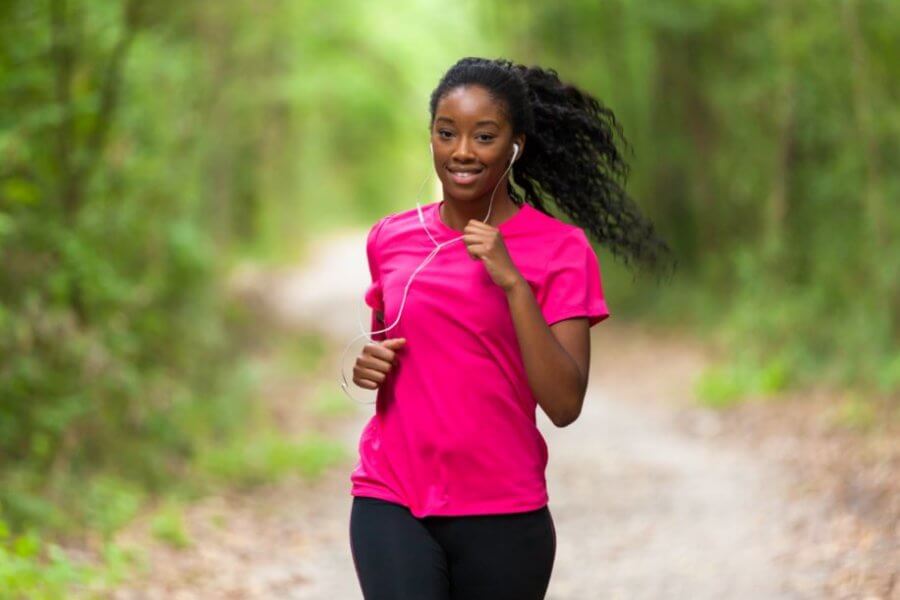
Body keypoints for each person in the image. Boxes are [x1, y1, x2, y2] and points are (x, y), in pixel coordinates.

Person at [347, 57, 672, 600]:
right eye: (446, 133)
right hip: (392, 497)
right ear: (430, 137)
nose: (462, 151)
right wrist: (367, 365)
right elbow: (395, 349)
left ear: (515, 145)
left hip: (503, 512)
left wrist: (515, 286)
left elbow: (565, 404)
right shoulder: (390, 238)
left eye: (484, 136)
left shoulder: (561, 251)